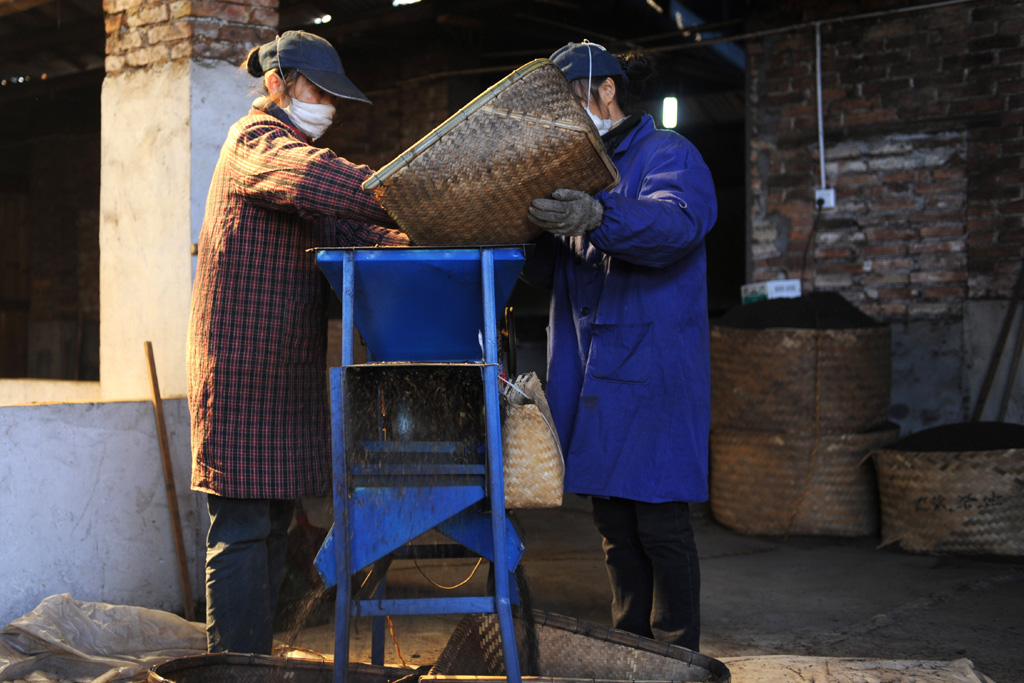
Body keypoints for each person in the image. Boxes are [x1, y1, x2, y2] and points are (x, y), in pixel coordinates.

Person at [187, 30, 408, 654]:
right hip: (238, 372)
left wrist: (439, 242)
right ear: (277, 85)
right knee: (241, 527)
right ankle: (235, 666)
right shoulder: (256, 142)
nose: (329, 107)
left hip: (280, 373)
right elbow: (319, 184)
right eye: (320, 91)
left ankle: (253, 657)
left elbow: (352, 229)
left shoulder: (298, 162)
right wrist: (409, 192)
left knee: (273, 520)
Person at [521, 41, 717, 651]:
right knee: (612, 523)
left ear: (607, 91)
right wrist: (526, 231)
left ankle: (676, 650)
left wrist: (596, 216)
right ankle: (630, 647)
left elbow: (675, 225)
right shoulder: (579, 167)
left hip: (653, 369)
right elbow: (553, 275)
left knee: (658, 519)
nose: (568, 120)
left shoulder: (668, 153)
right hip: (592, 371)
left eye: (575, 102)